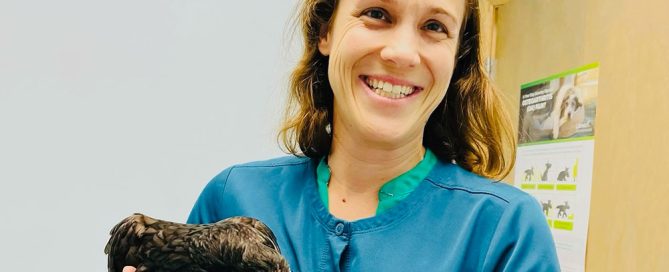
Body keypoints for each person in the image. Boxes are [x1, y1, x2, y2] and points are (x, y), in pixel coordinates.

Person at [124, 0, 559, 271]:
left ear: (457, 58)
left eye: (434, 27)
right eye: (376, 14)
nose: (402, 52)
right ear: (325, 31)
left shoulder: (504, 231)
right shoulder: (231, 196)